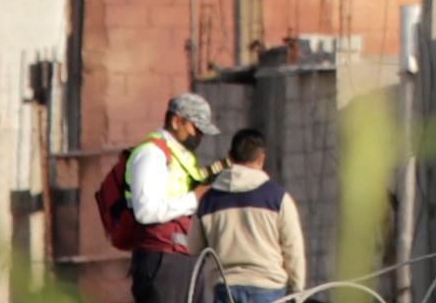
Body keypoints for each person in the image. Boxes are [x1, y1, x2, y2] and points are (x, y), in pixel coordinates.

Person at [191, 128, 305, 303]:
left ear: (230, 156)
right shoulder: (278, 198)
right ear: (261, 159)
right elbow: (293, 249)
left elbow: (193, 247)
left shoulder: (208, 200)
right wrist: (298, 291)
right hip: (268, 289)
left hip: (225, 288)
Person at [118, 93, 213, 303]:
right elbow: (145, 211)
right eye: (195, 128)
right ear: (176, 121)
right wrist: (193, 199)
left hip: (182, 257)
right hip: (161, 259)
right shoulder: (152, 154)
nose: (199, 136)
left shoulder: (181, 157)